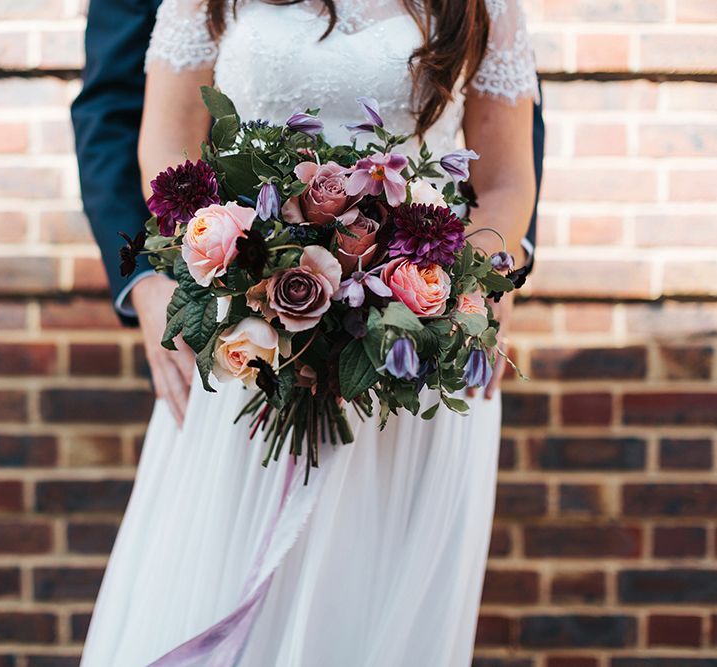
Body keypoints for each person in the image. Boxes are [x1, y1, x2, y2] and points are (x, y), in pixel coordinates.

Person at [72, 0, 544, 664]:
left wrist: (469, 283)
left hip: (406, 354)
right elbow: (166, 141)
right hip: (250, 349)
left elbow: (504, 176)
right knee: (211, 580)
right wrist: (219, 270)